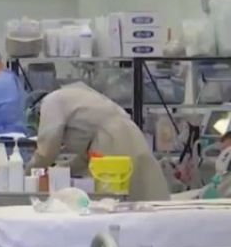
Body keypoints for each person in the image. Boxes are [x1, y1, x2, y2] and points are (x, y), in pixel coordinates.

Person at [27, 82, 170, 201]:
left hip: (112, 140)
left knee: (117, 200)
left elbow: (47, 151)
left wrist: (26, 174)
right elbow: (85, 157)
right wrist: (61, 169)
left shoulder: (51, 102)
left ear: (36, 109)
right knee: (143, 188)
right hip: (129, 132)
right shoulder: (74, 95)